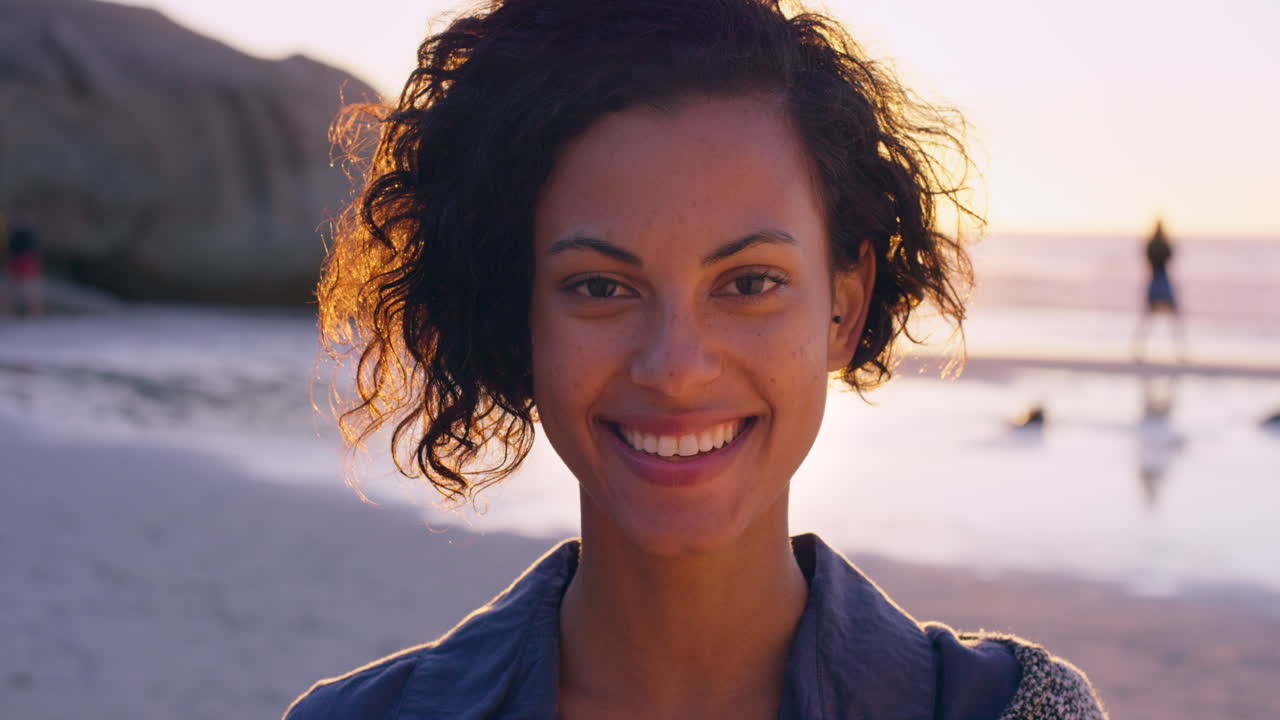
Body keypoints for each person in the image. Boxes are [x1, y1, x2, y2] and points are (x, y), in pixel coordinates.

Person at [287, 0, 1108, 717]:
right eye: (601, 287)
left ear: (844, 309)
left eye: (748, 283)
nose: (676, 368)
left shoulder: (1016, 713)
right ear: (515, 316)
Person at [1133, 219, 1186, 362]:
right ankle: (1179, 352)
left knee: (1150, 319)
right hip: (1161, 281)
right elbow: (1170, 256)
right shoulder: (1161, 245)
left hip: (1156, 281)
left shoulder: (1152, 245)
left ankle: (1139, 351)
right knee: (1170, 318)